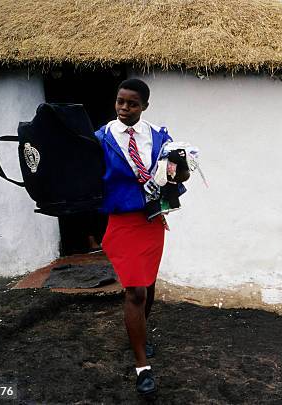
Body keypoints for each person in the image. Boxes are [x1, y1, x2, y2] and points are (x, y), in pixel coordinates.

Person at [94, 78, 173, 396]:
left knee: (148, 285)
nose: (124, 108)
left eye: (132, 103)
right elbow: (86, 176)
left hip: (152, 221)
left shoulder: (159, 137)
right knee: (135, 291)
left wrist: (180, 169)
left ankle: (139, 333)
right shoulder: (101, 138)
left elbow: (175, 178)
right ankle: (142, 368)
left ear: (145, 106)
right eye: (120, 102)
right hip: (122, 223)